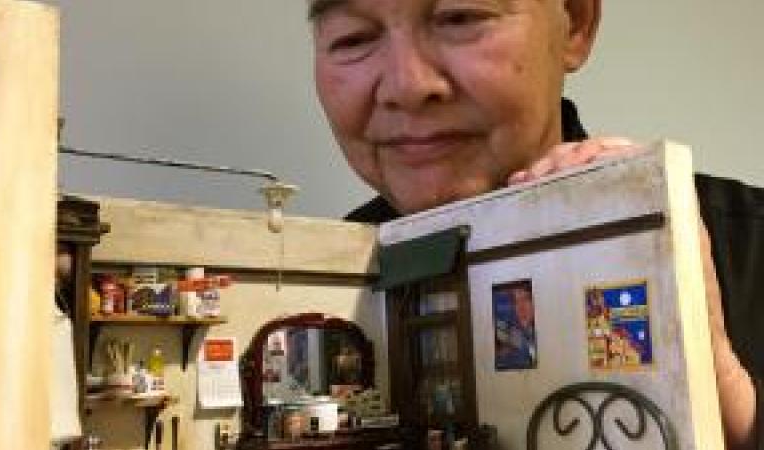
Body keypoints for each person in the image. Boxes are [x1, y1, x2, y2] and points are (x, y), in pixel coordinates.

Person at [307, 0, 763, 449]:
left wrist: (727, 397)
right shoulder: (322, 289)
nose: (406, 86)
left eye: (459, 18)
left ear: (576, 25)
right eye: (355, 38)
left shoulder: (748, 245)